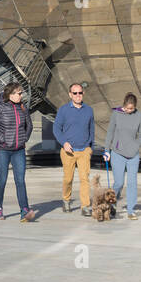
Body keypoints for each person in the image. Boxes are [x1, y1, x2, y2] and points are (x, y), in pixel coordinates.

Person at [0, 82, 36, 222]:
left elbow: (29, 126)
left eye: (21, 93)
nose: (21, 95)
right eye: (19, 93)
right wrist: (3, 139)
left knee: (20, 180)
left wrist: (24, 138)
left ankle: (24, 210)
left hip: (19, 150)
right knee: (2, 179)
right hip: (2, 150)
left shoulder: (23, 108)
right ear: (10, 95)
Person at [103, 93, 141, 220]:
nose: (128, 111)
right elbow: (110, 132)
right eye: (127, 108)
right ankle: (112, 204)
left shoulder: (139, 116)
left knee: (132, 183)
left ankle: (131, 210)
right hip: (118, 153)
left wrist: (135, 146)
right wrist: (106, 151)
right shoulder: (116, 114)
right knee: (119, 183)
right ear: (124, 105)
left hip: (133, 155)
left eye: (131, 109)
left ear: (135, 107)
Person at [54, 83, 95, 215]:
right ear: (70, 94)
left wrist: (90, 147)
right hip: (68, 151)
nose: (78, 95)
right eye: (75, 93)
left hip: (84, 150)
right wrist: (64, 142)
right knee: (68, 179)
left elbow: (92, 129)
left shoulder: (89, 110)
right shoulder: (63, 110)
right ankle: (66, 200)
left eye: (80, 93)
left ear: (83, 94)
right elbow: (56, 129)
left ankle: (85, 206)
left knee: (84, 179)